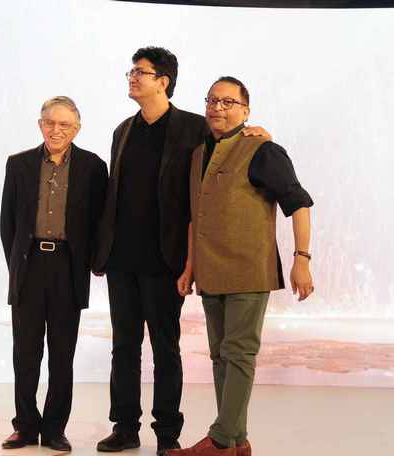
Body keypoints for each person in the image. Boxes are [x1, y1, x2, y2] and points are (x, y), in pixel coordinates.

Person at [93, 47, 269, 456]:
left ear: (163, 81)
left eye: (140, 72)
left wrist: (258, 133)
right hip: (121, 258)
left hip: (165, 259)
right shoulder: (123, 130)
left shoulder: (193, 128)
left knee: (165, 347)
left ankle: (167, 432)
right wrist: (101, 251)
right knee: (124, 346)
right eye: (131, 71)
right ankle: (125, 427)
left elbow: (230, 141)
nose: (132, 77)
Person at [171, 76, 315, 456]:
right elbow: (195, 216)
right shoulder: (199, 154)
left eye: (228, 102)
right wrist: (190, 267)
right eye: (212, 100)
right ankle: (236, 441)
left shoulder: (263, 150)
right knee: (221, 355)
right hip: (210, 272)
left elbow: (298, 203)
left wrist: (302, 260)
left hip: (248, 271)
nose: (218, 107)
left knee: (238, 352)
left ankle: (221, 439)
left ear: (246, 110)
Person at [0, 96, 108, 452]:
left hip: (67, 267)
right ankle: (25, 426)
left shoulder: (93, 167)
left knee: (62, 354)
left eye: (64, 124)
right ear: (40, 124)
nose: (56, 130)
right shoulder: (18, 164)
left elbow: (100, 222)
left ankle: (54, 429)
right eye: (50, 122)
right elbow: (7, 223)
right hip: (29, 266)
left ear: (76, 129)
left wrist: (92, 262)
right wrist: (17, 266)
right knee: (25, 353)